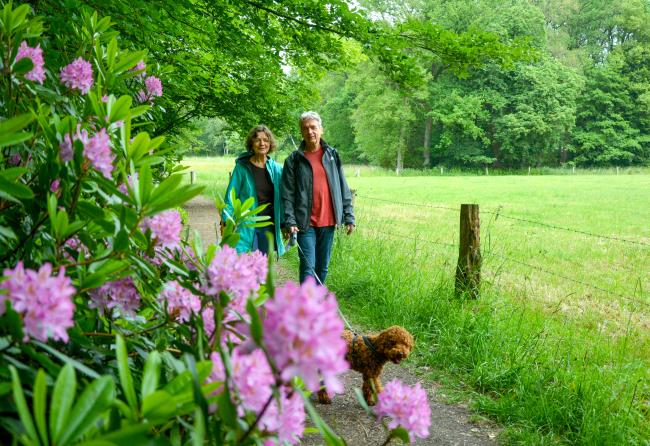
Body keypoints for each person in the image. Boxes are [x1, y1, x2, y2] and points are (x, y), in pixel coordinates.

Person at [281, 111, 355, 284]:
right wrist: (289, 221)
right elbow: (287, 194)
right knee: (308, 267)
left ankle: (315, 305)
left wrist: (349, 216)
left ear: (321, 130)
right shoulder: (293, 160)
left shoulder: (332, 155)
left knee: (322, 268)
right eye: (305, 128)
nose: (310, 132)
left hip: (328, 223)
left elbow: (342, 187)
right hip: (305, 224)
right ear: (301, 132)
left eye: (313, 127)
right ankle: (307, 307)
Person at [222, 125, 285, 256]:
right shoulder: (242, 168)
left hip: (267, 224)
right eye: (257, 140)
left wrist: (286, 223)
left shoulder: (277, 169)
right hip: (246, 224)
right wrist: (226, 222)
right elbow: (230, 197)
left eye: (266, 140)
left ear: (270, 143)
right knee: (243, 261)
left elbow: (284, 199)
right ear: (252, 143)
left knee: (261, 265)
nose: (262, 143)